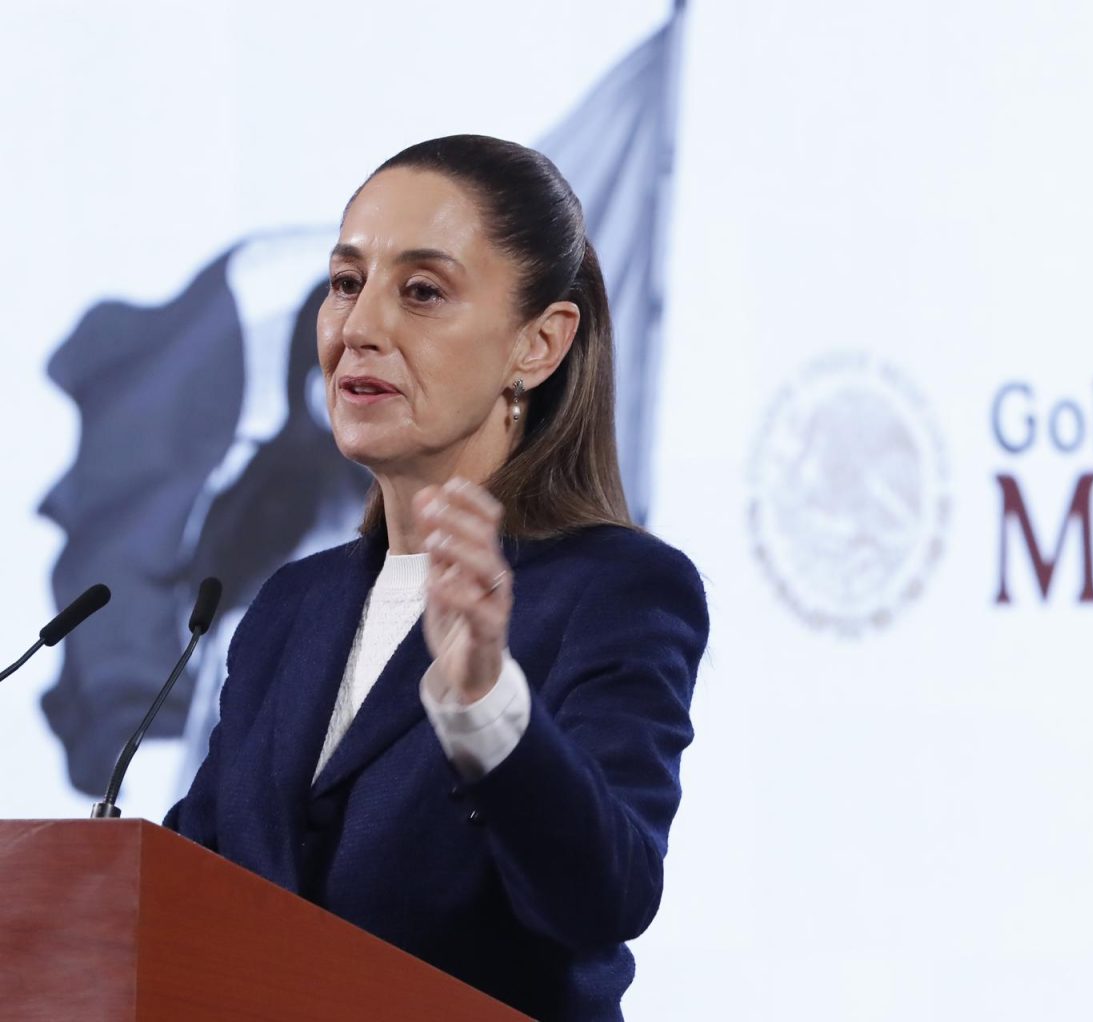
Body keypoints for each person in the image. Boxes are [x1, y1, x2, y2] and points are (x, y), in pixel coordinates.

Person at [165, 134, 708, 1022]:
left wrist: (487, 707)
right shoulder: (288, 608)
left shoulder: (616, 589)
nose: (358, 328)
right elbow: (193, 887)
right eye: (346, 283)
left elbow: (605, 896)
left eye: (422, 291)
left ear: (538, 344)